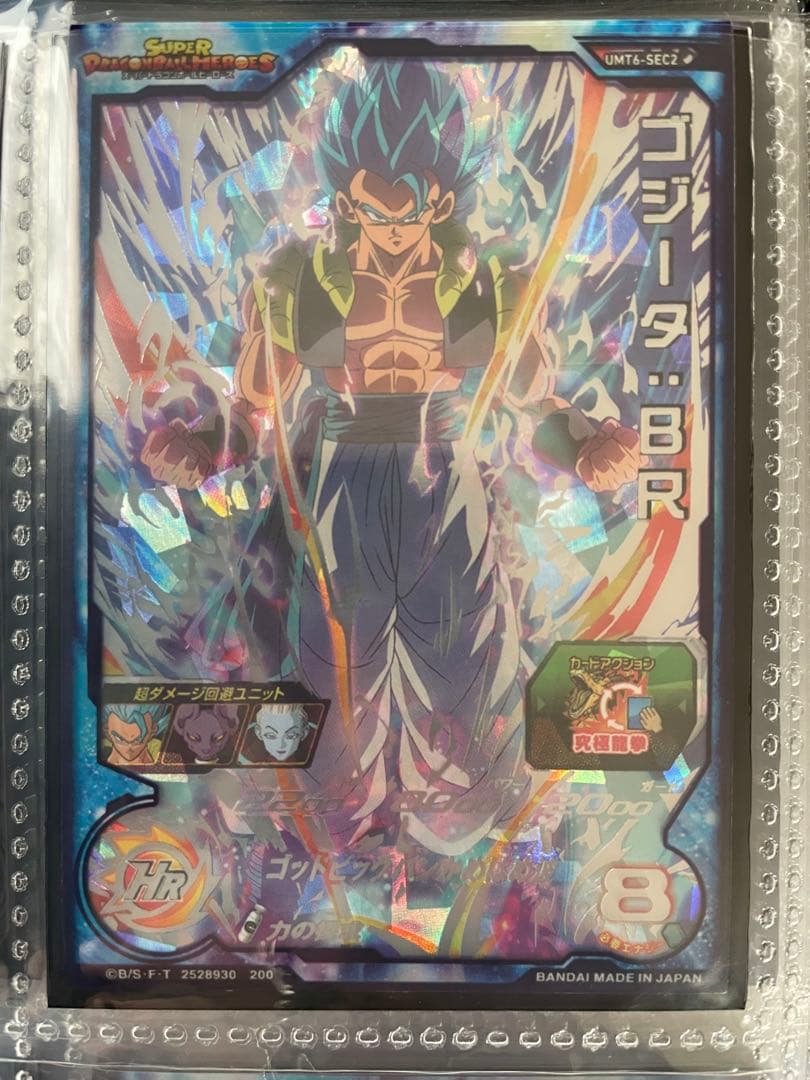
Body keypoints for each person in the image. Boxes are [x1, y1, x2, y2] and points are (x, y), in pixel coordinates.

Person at [140, 61, 640, 854]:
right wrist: (203, 446)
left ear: (444, 196)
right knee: (335, 654)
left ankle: (480, 819)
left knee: (465, 650)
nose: (398, 218)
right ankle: (328, 821)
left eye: (417, 197)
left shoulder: (492, 281)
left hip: (447, 464)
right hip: (342, 467)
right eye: (377, 200)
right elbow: (258, 406)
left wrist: (587, 448)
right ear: (346, 196)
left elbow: (532, 405)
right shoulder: (295, 277)